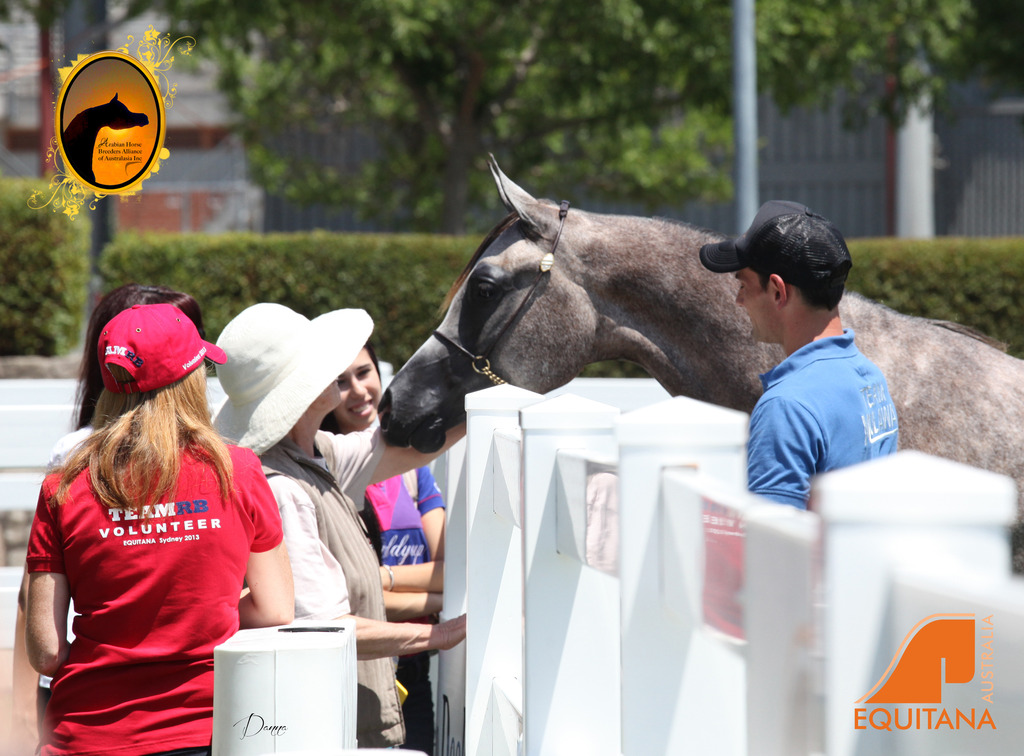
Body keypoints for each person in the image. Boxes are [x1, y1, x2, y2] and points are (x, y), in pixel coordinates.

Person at [25, 303, 294, 756]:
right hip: (207, 732)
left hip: (87, 734)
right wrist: (201, 614)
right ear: (190, 379)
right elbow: (277, 608)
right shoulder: (238, 472)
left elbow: (46, 651)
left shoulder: (63, 487)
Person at [213, 302, 467, 749]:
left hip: (344, 712)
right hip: (329, 724)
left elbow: (410, 449)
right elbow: (325, 627)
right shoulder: (283, 489)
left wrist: (489, 376)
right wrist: (440, 635)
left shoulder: (315, 453)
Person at [12, 283, 208, 756]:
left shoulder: (213, 456)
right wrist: (18, 707)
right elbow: (35, 597)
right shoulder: (77, 461)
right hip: (117, 697)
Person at [698, 200, 899, 508]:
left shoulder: (787, 406)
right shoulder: (870, 377)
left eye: (743, 285)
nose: (739, 301)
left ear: (778, 291)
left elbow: (772, 545)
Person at [322, 342, 446, 754]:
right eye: (340, 382)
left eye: (364, 373)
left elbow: (451, 569)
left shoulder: (414, 471)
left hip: (415, 667)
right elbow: (349, 600)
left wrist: (384, 579)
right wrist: (432, 600)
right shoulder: (328, 474)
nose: (358, 391)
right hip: (363, 671)